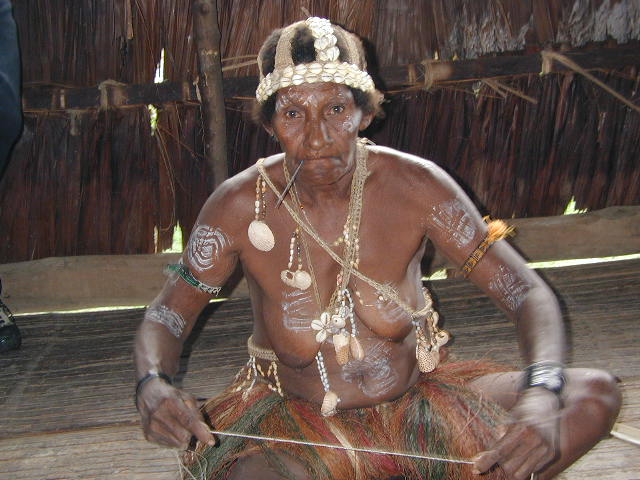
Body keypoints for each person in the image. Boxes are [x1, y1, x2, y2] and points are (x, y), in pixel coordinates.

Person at [134, 17, 621, 480]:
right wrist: (152, 383)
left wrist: (540, 392)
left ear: (365, 113)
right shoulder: (239, 207)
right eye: (294, 114)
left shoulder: (416, 187)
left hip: (419, 406)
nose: (318, 137)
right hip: (293, 423)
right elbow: (168, 315)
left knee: (590, 395)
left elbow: (525, 293)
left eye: (337, 110)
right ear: (270, 124)